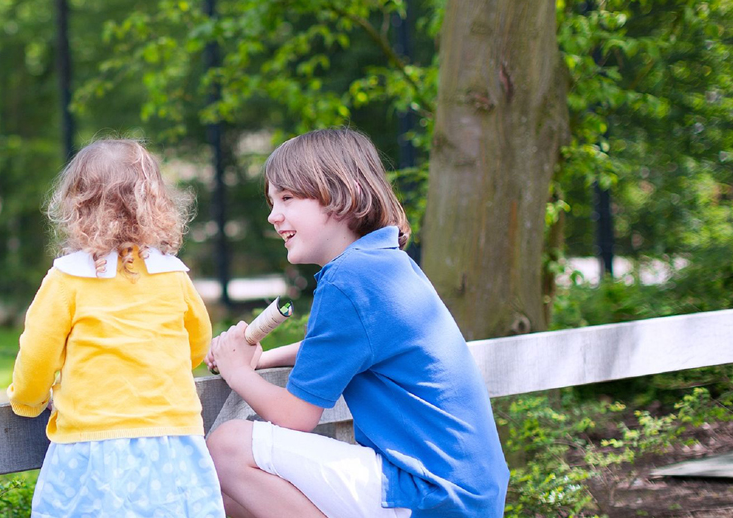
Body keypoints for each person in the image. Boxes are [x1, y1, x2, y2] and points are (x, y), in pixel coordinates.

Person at [204, 128, 508, 518]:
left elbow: (297, 416)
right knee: (233, 500)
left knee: (228, 447)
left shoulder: (349, 280)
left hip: (428, 492)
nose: (272, 214)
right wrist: (260, 361)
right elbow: (342, 348)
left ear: (340, 196)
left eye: (288, 198)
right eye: (272, 201)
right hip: (466, 491)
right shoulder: (384, 263)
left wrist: (237, 372)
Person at [9, 138, 224, 518]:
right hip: (172, 443)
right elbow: (197, 344)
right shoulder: (172, 275)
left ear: (78, 207)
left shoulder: (67, 279)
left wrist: (27, 400)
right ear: (156, 204)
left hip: (92, 447)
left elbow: (37, 354)